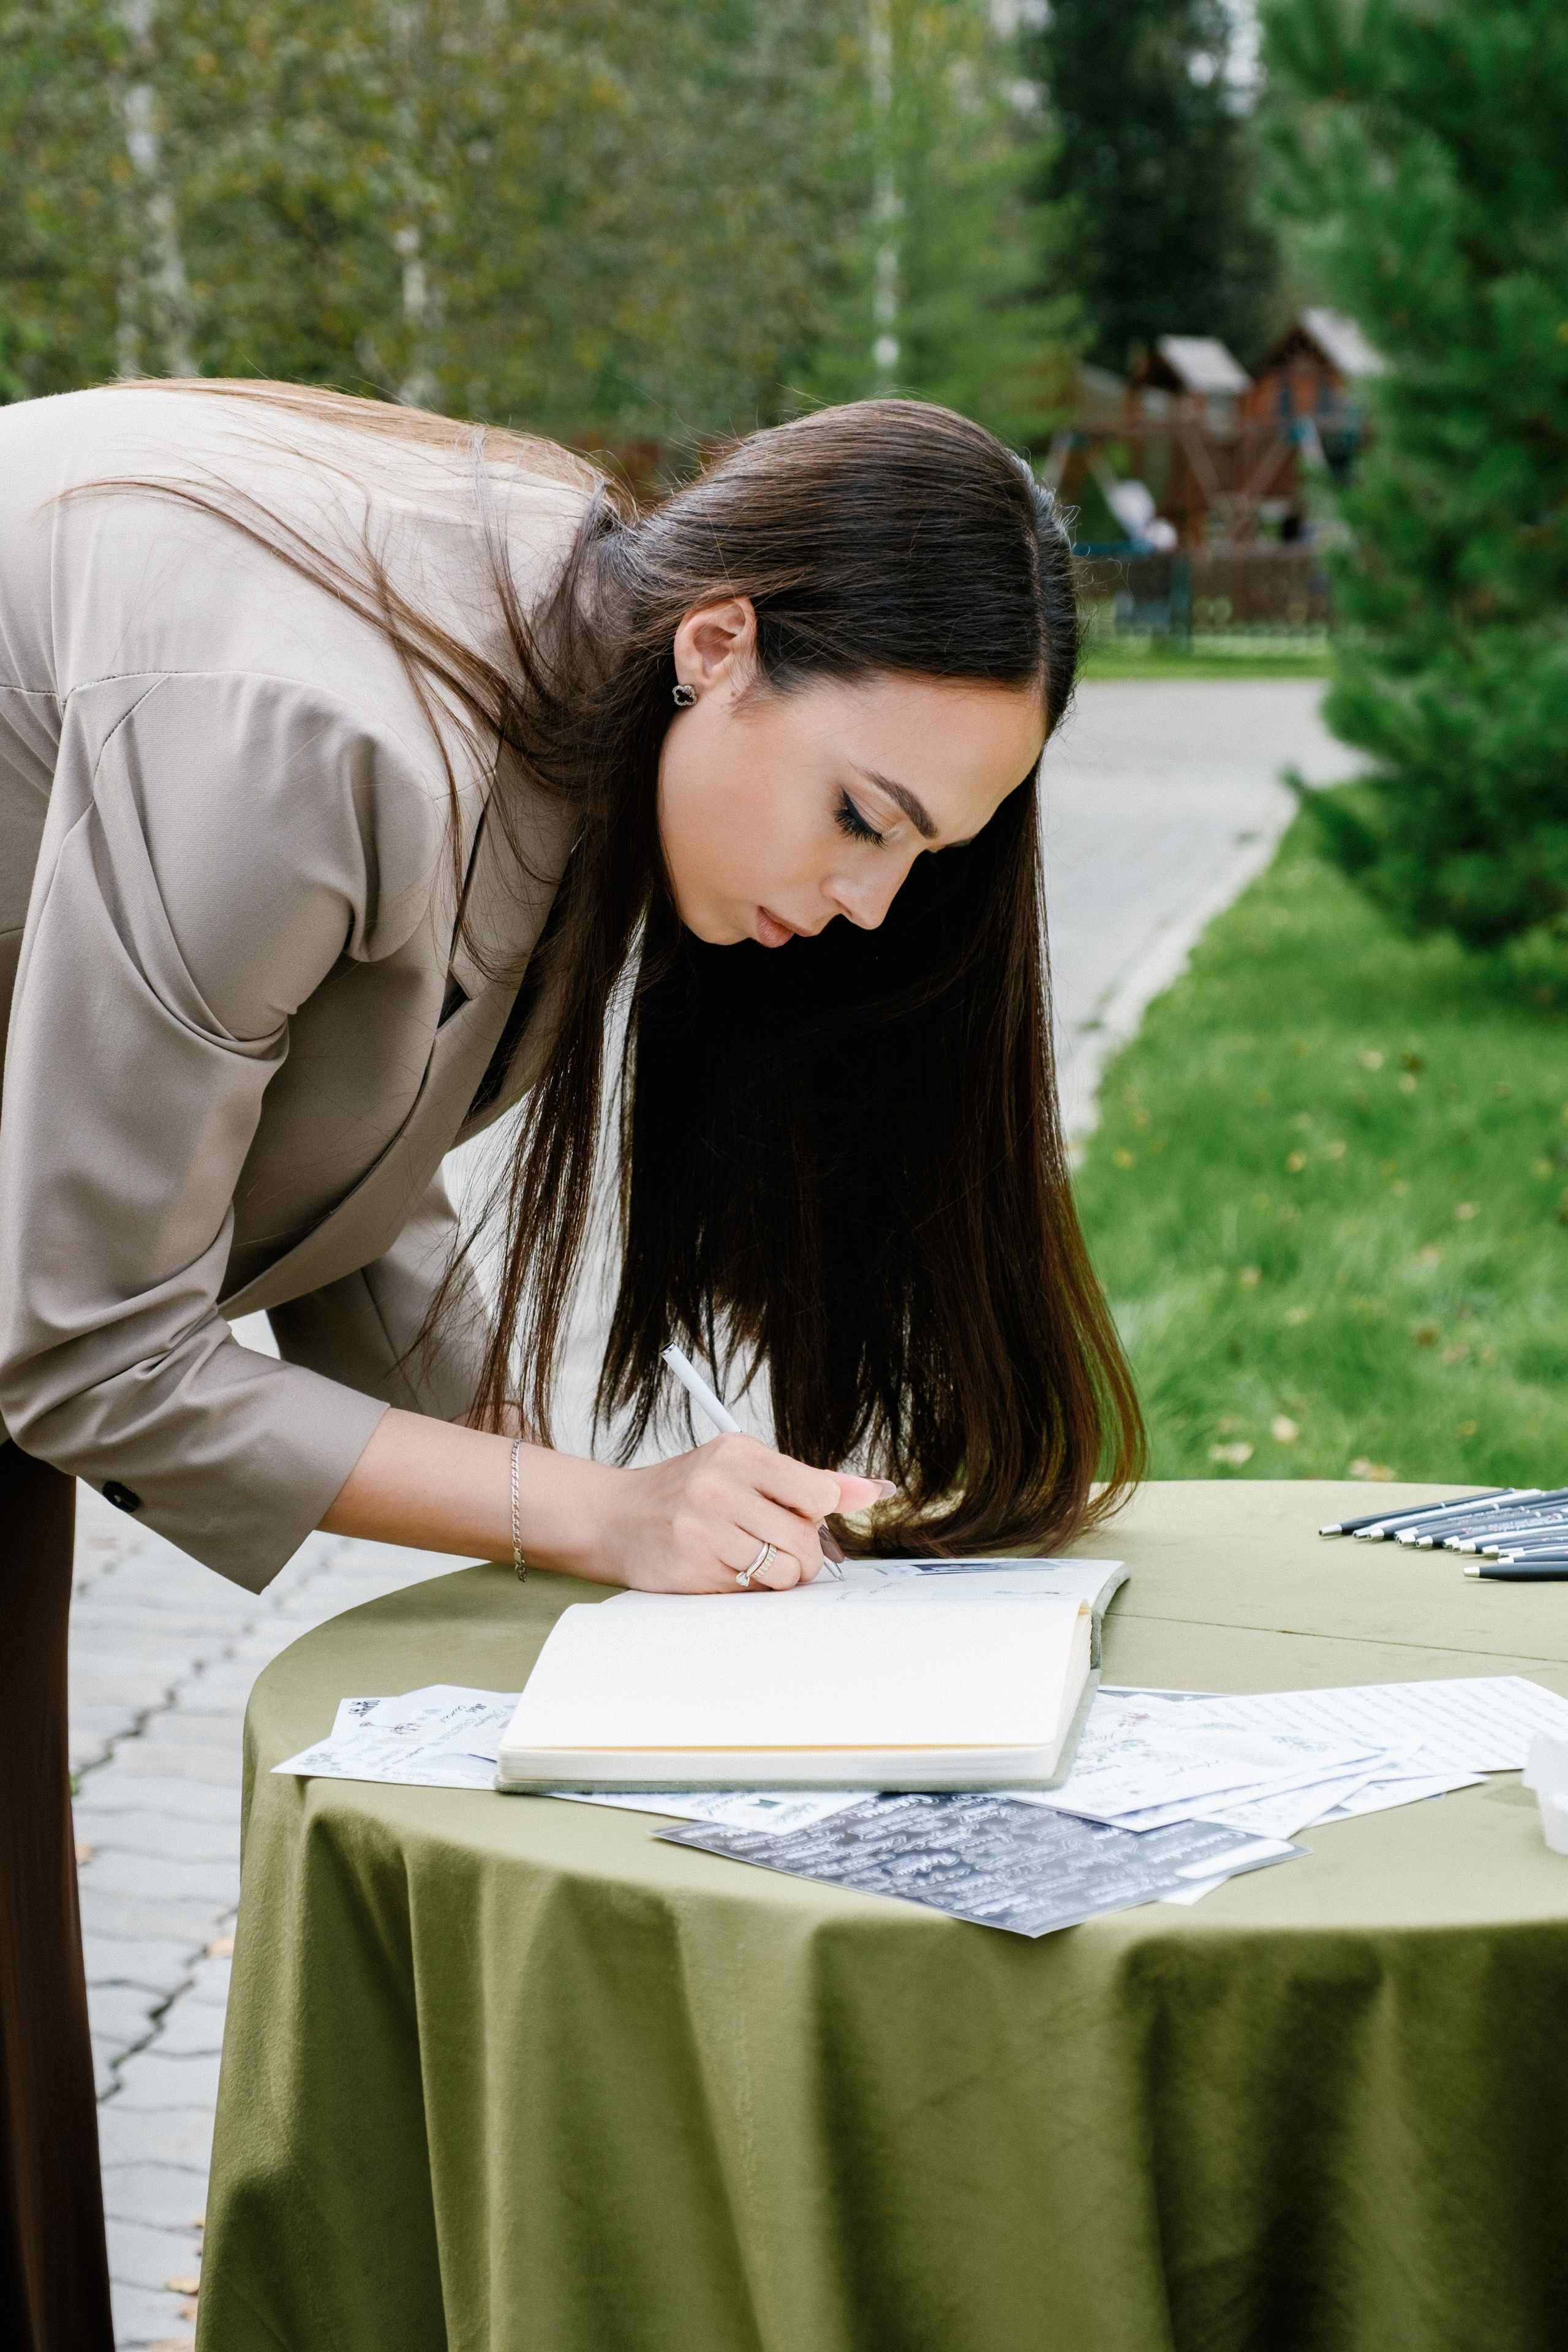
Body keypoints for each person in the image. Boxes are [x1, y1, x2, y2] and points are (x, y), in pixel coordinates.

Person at [0, 380, 1142, 2345]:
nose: (872, 901)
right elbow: (90, 1349)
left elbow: (327, 1170)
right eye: (864, 815)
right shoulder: (307, 737)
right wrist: (593, 1514)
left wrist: (629, 1517)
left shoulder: (571, 661)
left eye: (925, 856)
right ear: (724, 646)